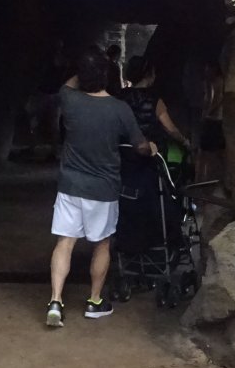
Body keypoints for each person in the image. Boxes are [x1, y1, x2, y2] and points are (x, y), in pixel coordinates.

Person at [47, 52, 156, 327]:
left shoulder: (69, 99)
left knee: (65, 242)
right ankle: (94, 301)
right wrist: (151, 148)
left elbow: (68, 84)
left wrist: (84, 69)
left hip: (70, 185)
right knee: (103, 243)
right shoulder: (119, 109)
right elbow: (140, 145)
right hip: (103, 188)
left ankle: (56, 301)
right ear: (107, 75)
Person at [121, 57, 191, 155]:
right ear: (148, 75)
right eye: (154, 73)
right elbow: (170, 129)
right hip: (149, 153)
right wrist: (185, 142)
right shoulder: (154, 100)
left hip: (124, 152)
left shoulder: (120, 96)